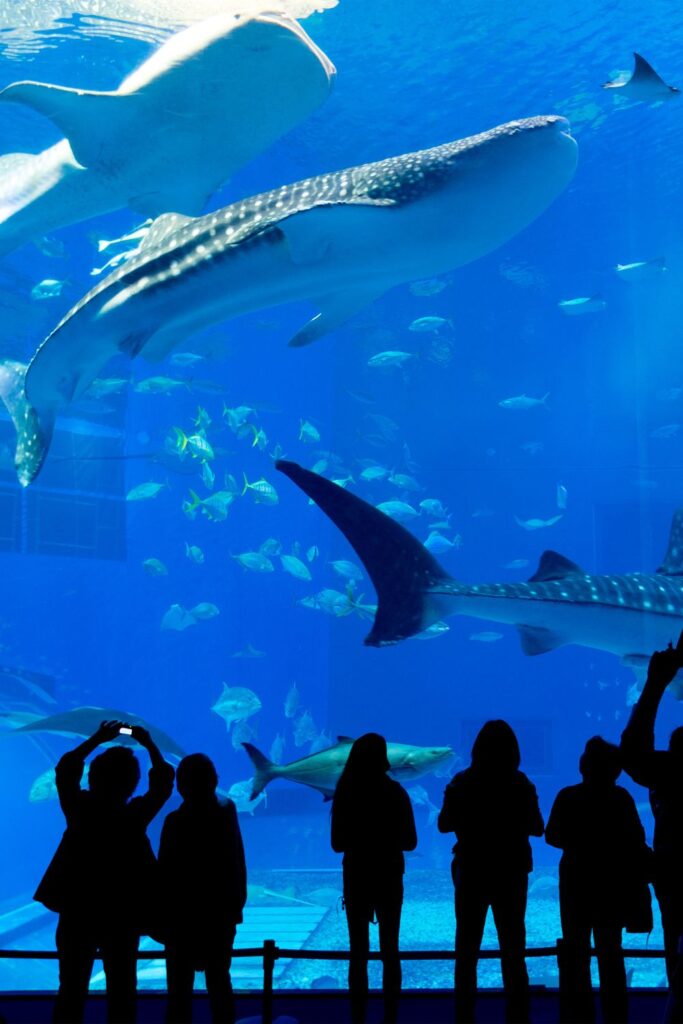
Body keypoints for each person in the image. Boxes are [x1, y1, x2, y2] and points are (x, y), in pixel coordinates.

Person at [34, 719, 175, 1024]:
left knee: (70, 989)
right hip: (122, 914)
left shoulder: (79, 811)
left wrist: (96, 738)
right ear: (132, 784)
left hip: (77, 910)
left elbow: (66, 769)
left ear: (92, 779)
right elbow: (163, 783)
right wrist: (149, 744)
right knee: (123, 991)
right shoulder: (134, 817)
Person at [437, 719, 543, 1024]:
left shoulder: (462, 781)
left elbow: (444, 824)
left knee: (466, 950)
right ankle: (518, 1016)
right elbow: (537, 827)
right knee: (513, 948)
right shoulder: (521, 783)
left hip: (472, 868)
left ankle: (464, 1015)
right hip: (511, 870)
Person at [546, 736, 652, 1024]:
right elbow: (637, 839)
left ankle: (578, 1016)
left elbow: (552, 836)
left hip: (576, 883)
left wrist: (580, 841)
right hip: (611, 884)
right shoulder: (621, 798)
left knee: (576, 951)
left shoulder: (567, 796)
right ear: (615, 771)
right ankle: (616, 1017)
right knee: (610, 952)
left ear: (583, 767)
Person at [331, 732, 417, 1024]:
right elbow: (411, 842)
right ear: (384, 758)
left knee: (358, 952)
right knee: (390, 950)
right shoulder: (396, 793)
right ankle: (390, 1017)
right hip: (389, 875)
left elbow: (337, 843)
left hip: (356, 875)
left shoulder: (344, 792)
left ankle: (358, 1018)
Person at [620, 636, 683, 1021]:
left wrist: (656, 682)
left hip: (673, 872)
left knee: (674, 942)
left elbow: (633, 751)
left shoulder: (666, 774)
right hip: (672, 873)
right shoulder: (668, 772)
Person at [158, 753, 247, 1024]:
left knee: (178, 991)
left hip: (181, 920)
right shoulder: (226, 811)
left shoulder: (174, 822)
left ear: (180, 786)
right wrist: (235, 908)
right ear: (214, 781)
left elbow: (165, 874)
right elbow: (236, 862)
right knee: (220, 983)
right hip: (220, 915)